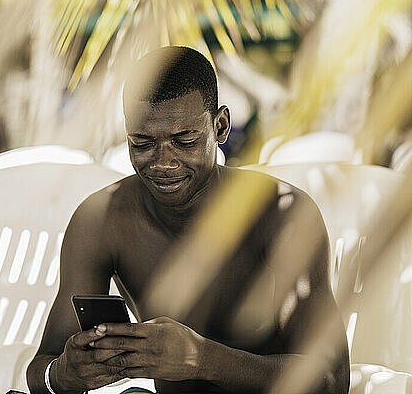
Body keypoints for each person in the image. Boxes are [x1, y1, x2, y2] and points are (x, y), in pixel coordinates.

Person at [26, 46, 349, 393]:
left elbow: (332, 380)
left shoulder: (282, 215)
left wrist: (200, 358)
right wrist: (65, 373)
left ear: (220, 126)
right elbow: (41, 371)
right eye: (143, 142)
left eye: (185, 140)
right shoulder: (103, 220)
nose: (164, 162)